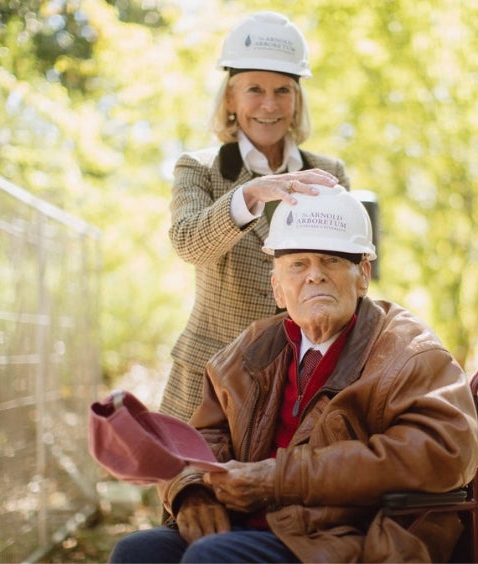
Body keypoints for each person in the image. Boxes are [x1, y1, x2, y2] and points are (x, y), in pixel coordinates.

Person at [110, 186, 478, 563]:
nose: (314, 275)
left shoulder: (410, 351)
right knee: (138, 552)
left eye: (331, 261)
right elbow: (205, 436)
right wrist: (191, 491)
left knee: (212, 556)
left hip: (344, 537)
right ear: (278, 288)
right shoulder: (251, 347)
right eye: (298, 264)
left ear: (363, 275)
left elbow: (445, 452)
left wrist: (280, 478)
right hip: (248, 525)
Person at [160, 11, 351, 422]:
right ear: (230, 98)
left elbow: (348, 270)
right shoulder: (200, 168)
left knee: (290, 485)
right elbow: (188, 242)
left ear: (297, 99)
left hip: (302, 380)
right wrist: (248, 194)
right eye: (254, 90)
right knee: (193, 485)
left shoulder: (328, 173)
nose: (269, 104)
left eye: (283, 90)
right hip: (209, 376)